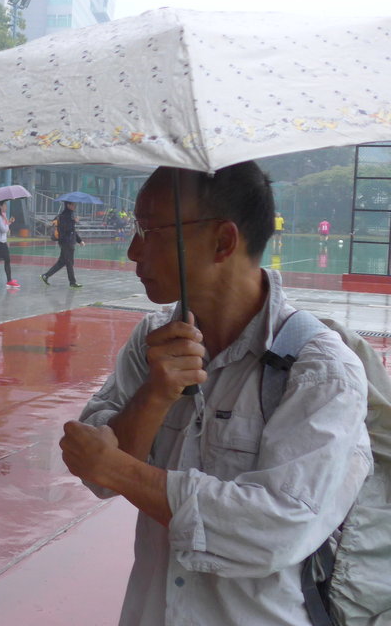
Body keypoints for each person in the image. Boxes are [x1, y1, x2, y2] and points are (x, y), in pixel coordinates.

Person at [59, 162, 370, 626]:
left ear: (223, 241)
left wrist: (120, 469)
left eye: (149, 230)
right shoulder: (151, 341)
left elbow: (275, 530)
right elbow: (95, 473)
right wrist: (155, 395)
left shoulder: (320, 372)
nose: (132, 251)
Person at [40, 200, 84, 288]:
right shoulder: (64, 216)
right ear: (68, 205)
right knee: (69, 263)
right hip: (66, 242)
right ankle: (72, 282)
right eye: (73, 204)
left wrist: (79, 241)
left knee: (62, 262)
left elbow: (73, 231)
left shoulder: (70, 215)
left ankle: (46, 276)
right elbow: (66, 229)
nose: (75, 206)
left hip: (68, 242)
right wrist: (74, 221)